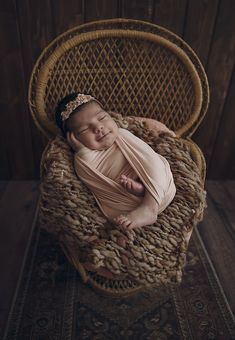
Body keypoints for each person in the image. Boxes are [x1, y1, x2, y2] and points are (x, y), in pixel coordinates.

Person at [55, 92, 177, 278]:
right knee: (115, 220)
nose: (99, 128)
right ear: (75, 139)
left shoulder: (123, 135)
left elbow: (148, 157)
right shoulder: (85, 157)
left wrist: (145, 186)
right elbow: (92, 181)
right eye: (84, 130)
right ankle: (140, 199)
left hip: (160, 188)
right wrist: (80, 151)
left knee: (156, 163)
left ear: (110, 116)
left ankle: (148, 204)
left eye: (102, 117)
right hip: (126, 203)